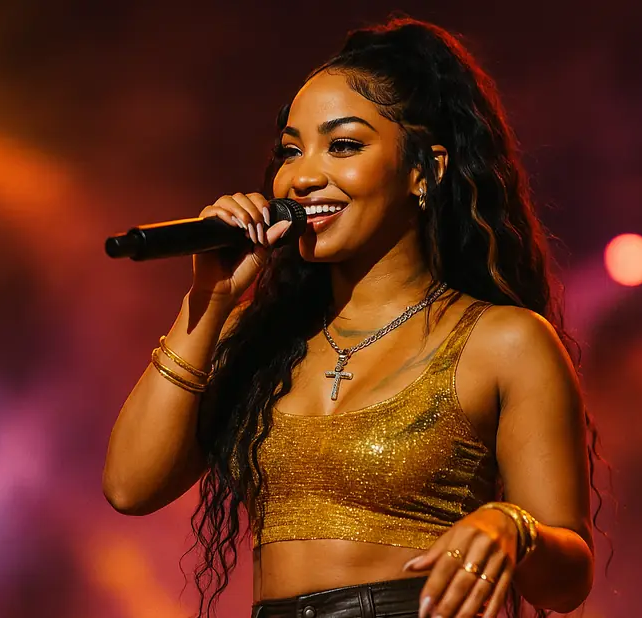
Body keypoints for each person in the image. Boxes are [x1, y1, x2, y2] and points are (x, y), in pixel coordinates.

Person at [103, 16, 603, 618]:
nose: (304, 174)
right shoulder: (261, 339)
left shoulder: (502, 341)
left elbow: (566, 580)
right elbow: (130, 487)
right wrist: (209, 302)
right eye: (292, 149)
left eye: (343, 145)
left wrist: (511, 526)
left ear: (426, 170)